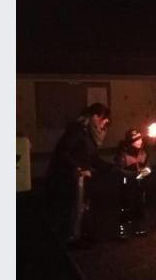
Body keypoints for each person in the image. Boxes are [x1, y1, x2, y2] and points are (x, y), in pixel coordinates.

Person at [47, 103, 125, 248]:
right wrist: (76, 167)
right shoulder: (78, 130)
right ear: (95, 116)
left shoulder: (88, 133)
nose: (104, 126)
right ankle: (72, 238)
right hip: (73, 176)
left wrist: (112, 168)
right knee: (76, 206)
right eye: (104, 120)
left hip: (82, 175)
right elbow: (63, 151)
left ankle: (80, 234)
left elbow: (92, 158)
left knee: (83, 205)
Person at [115, 129, 152, 239]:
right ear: (131, 142)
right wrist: (133, 174)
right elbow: (118, 170)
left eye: (140, 138)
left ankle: (138, 228)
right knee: (126, 207)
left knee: (139, 206)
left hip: (139, 185)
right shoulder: (123, 155)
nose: (141, 141)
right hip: (127, 186)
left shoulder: (143, 153)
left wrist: (143, 173)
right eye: (137, 139)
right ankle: (123, 231)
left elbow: (148, 167)